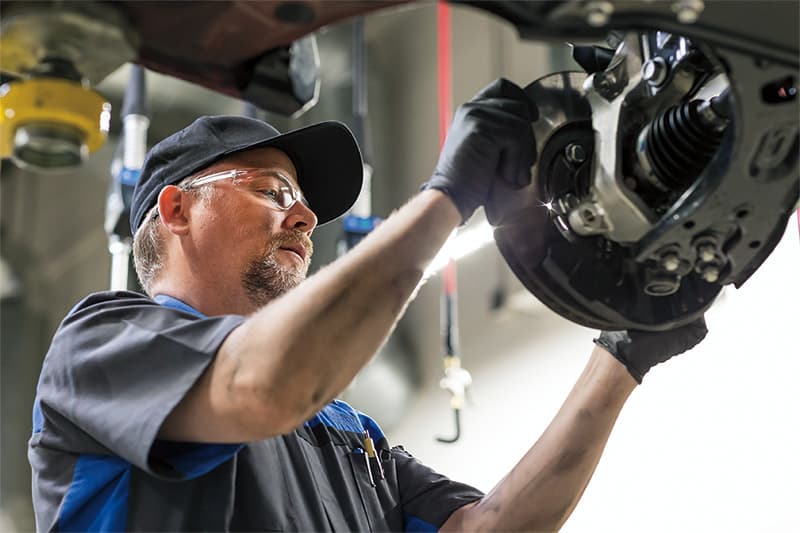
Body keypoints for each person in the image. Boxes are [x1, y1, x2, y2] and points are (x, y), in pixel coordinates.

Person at [29, 78, 707, 532]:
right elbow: (261, 384)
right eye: (271, 191)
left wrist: (622, 352)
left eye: (303, 202)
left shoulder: (348, 433)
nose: (304, 217)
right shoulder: (101, 346)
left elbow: (488, 527)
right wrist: (447, 197)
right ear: (177, 208)